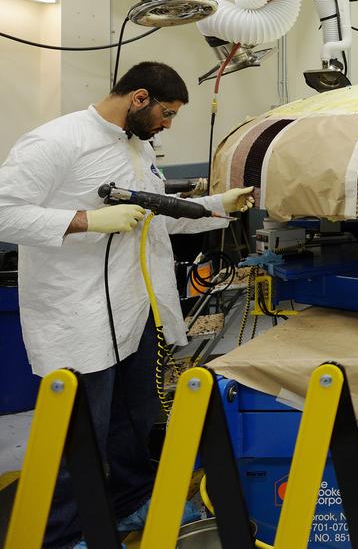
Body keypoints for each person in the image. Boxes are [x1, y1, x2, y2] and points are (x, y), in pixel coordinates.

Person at [0, 62, 254, 549]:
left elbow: (157, 219)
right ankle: (61, 535)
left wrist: (221, 205)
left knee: (132, 422)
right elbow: (5, 213)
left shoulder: (138, 147)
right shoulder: (56, 141)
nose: (168, 125)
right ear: (139, 98)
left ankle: (128, 502)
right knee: (80, 435)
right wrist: (87, 221)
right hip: (78, 317)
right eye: (167, 113)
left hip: (136, 314)